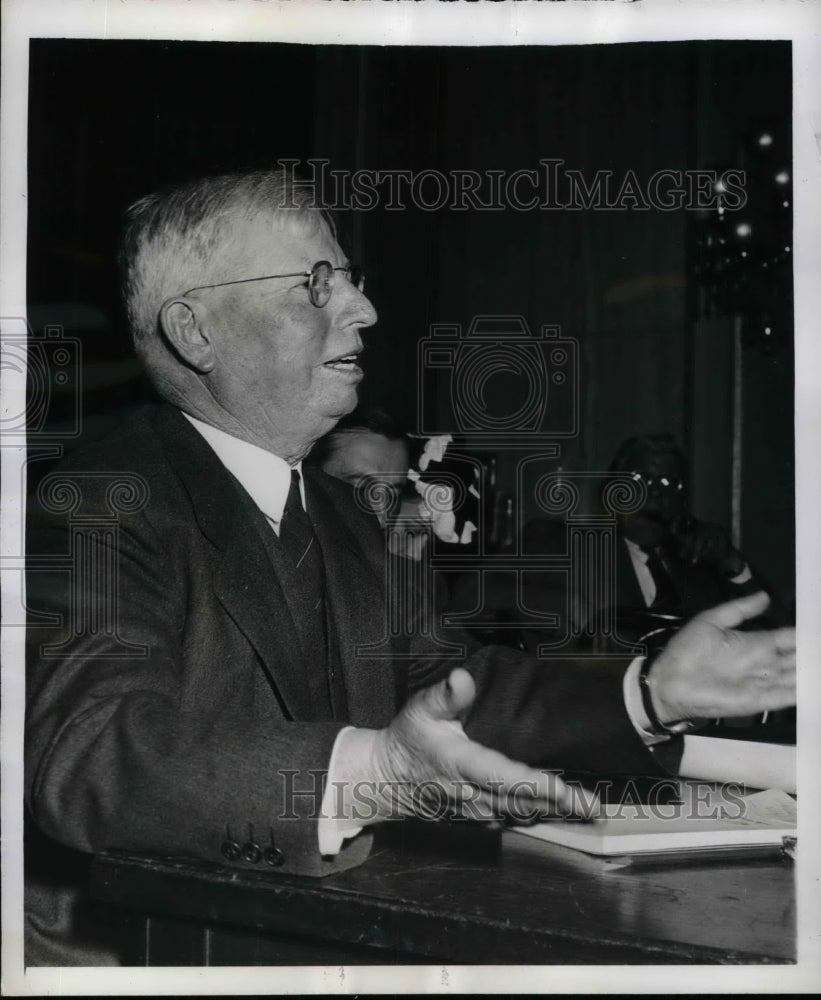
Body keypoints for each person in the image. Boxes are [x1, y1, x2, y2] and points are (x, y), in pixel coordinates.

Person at [25, 171, 796, 959]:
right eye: (316, 284)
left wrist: (647, 693)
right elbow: (86, 752)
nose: (363, 310)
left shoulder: (348, 518)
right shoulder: (100, 499)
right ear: (195, 332)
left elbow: (455, 687)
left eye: (350, 280)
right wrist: (376, 772)